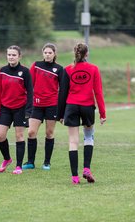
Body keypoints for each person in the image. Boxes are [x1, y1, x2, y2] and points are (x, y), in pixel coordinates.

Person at [57, 42, 106, 184]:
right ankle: (86, 169)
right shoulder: (94, 69)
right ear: (87, 53)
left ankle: (74, 177)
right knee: (89, 138)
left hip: (71, 107)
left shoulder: (67, 70)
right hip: (87, 107)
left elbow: (62, 93)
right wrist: (102, 113)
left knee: (73, 142)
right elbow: (98, 92)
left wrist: (60, 114)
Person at [0, 45, 33, 175]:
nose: (11, 57)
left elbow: (30, 92)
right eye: (9, 55)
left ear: (19, 56)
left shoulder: (25, 72)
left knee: (19, 136)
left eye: (14, 55)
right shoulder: (2, 71)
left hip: (20, 108)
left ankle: (19, 166)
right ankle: (7, 159)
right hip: (5, 108)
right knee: (0, 136)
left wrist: (28, 111)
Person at [22, 43, 63, 171]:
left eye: (50, 52)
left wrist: (62, 110)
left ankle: (47, 162)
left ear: (54, 54)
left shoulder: (59, 69)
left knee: (49, 133)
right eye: (45, 52)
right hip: (37, 105)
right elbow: (29, 84)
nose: (47, 55)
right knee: (31, 132)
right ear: (42, 53)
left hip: (52, 105)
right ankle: (30, 162)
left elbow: (63, 90)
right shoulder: (36, 65)